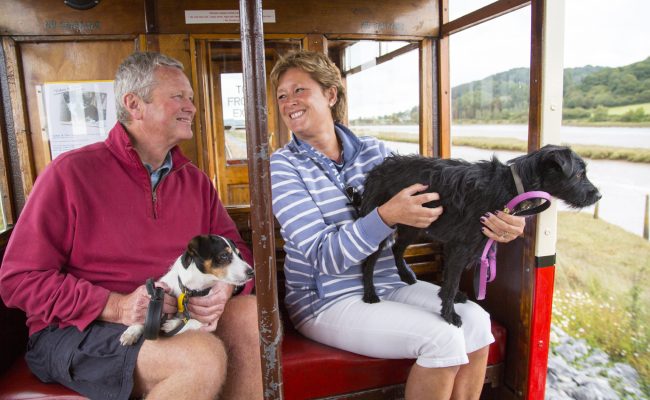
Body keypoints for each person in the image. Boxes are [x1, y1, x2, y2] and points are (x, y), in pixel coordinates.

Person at [0, 52, 262, 400]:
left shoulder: (195, 182)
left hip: (171, 317)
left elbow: (238, 252)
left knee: (250, 314)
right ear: (134, 104)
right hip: (77, 330)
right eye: (178, 97)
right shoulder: (70, 174)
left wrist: (222, 291)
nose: (192, 107)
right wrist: (116, 306)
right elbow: (18, 281)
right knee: (200, 356)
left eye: (192, 99)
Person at [269, 50, 525, 400]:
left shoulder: (376, 152)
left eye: (299, 90)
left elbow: (442, 206)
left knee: (477, 322)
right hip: (326, 299)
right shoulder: (283, 166)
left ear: (330, 94)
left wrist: (497, 219)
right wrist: (385, 216)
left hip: (388, 281)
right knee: (443, 337)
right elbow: (322, 258)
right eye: (282, 95)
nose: (289, 102)